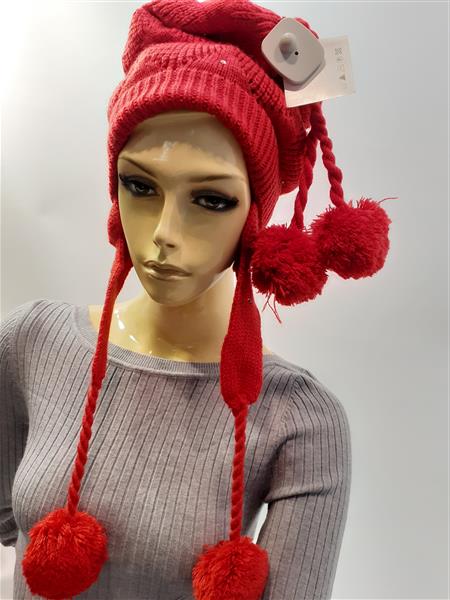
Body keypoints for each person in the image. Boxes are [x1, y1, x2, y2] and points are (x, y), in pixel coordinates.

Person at [0, 1, 392, 598]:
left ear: (256, 218)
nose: (164, 233)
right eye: (139, 186)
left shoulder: (299, 419)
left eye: (211, 200)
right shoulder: (32, 342)